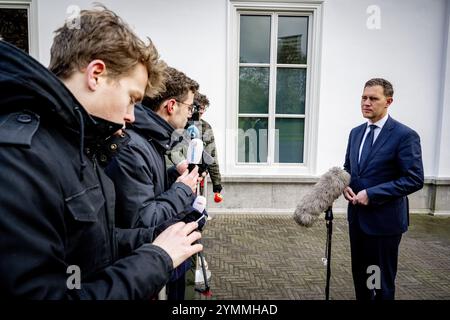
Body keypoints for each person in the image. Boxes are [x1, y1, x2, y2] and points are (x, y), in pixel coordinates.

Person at [0, 7, 202, 299]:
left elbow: (95, 246)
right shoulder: (19, 158)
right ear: (96, 75)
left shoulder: (81, 146)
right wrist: (157, 258)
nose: (133, 116)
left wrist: (158, 236)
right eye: (132, 98)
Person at [105, 67, 201, 300]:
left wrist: (172, 176)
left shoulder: (148, 139)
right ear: (171, 106)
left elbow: (144, 187)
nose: (191, 114)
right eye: (189, 107)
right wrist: (182, 189)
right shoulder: (134, 147)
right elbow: (142, 220)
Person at [343, 78, 424, 300]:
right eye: (363, 97)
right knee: (361, 279)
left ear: (388, 101)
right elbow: (348, 168)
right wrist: (346, 186)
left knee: (377, 282)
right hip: (357, 221)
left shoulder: (404, 136)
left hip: (383, 225)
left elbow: (415, 178)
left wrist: (372, 194)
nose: (366, 103)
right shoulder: (356, 133)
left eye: (373, 98)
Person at [167, 92, 223, 200]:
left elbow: (211, 154)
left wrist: (216, 182)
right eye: (199, 107)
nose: (201, 111)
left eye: (204, 108)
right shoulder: (178, 123)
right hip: (175, 174)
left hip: (197, 175)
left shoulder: (205, 127)